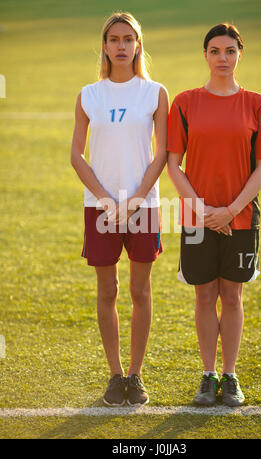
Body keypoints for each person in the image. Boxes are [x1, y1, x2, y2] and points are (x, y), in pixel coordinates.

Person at [167, 23, 261, 407]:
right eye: (215, 51)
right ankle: (207, 375)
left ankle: (230, 375)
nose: (222, 58)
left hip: (241, 218)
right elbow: (173, 164)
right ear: (205, 55)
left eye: (230, 51)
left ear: (239, 54)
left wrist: (231, 210)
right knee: (204, 296)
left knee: (231, 295)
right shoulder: (184, 102)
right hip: (197, 218)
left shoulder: (258, 104)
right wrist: (202, 210)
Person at [70, 12, 168, 406]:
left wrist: (135, 199)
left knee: (139, 290)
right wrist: (108, 199)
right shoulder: (89, 95)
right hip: (100, 206)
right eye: (114, 39)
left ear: (138, 44)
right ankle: (114, 375)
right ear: (105, 45)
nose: (122, 46)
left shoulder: (155, 92)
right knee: (107, 289)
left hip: (143, 204)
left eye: (129, 39)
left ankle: (136, 375)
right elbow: (76, 156)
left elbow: (163, 153)